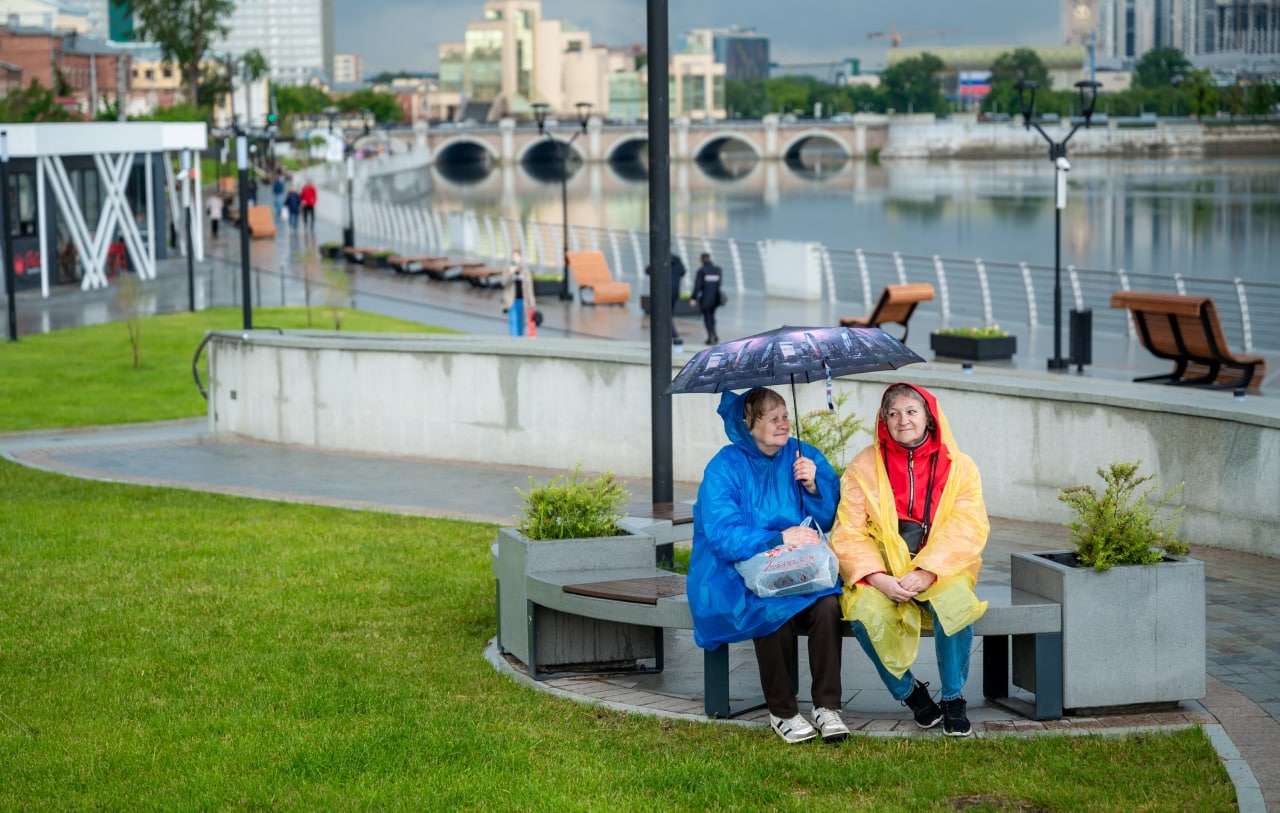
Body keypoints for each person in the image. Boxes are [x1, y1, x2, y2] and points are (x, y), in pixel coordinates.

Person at [688, 387, 849, 745]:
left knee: (827, 605)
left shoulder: (803, 456)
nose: (783, 424)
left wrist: (814, 485)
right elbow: (721, 534)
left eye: (785, 416)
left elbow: (829, 517)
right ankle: (784, 712)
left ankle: (827, 706)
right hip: (740, 571)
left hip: (800, 566)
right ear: (749, 423)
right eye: (772, 417)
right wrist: (778, 539)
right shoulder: (725, 466)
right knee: (768, 609)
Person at [830, 383, 989, 737]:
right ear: (883, 420)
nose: (903, 420)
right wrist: (876, 577)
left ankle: (952, 698)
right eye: (894, 413)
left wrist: (928, 571)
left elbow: (969, 526)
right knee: (863, 613)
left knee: (956, 605)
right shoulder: (863, 466)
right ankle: (910, 693)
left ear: (929, 416)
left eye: (911, 411)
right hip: (882, 569)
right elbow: (848, 531)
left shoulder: (959, 466)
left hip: (940, 568)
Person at [644, 253, 687, 344]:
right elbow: (683, 272)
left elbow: (648, 271)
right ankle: (669, 333)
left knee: (663, 313)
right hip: (675, 291)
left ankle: (673, 334)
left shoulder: (660, 257)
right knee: (669, 313)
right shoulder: (677, 259)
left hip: (662, 291)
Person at [500, 249, 537, 338]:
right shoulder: (508, 268)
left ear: (521, 258)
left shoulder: (525, 271)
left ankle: (519, 342)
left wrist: (532, 303)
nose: (515, 259)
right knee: (513, 322)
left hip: (523, 301)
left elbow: (529, 288)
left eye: (517, 257)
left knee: (521, 322)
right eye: (513, 257)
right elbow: (503, 283)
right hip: (511, 301)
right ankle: (513, 342)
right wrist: (511, 273)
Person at [691, 252, 723, 345]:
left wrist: (693, 298)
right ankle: (715, 334)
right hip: (716, 298)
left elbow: (698, 286)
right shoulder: (718, 270)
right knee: (712, 316)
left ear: (701, 260)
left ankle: (710, 337)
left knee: (707, 317)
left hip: (706, 298)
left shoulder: (702, 271)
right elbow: (719, 283)